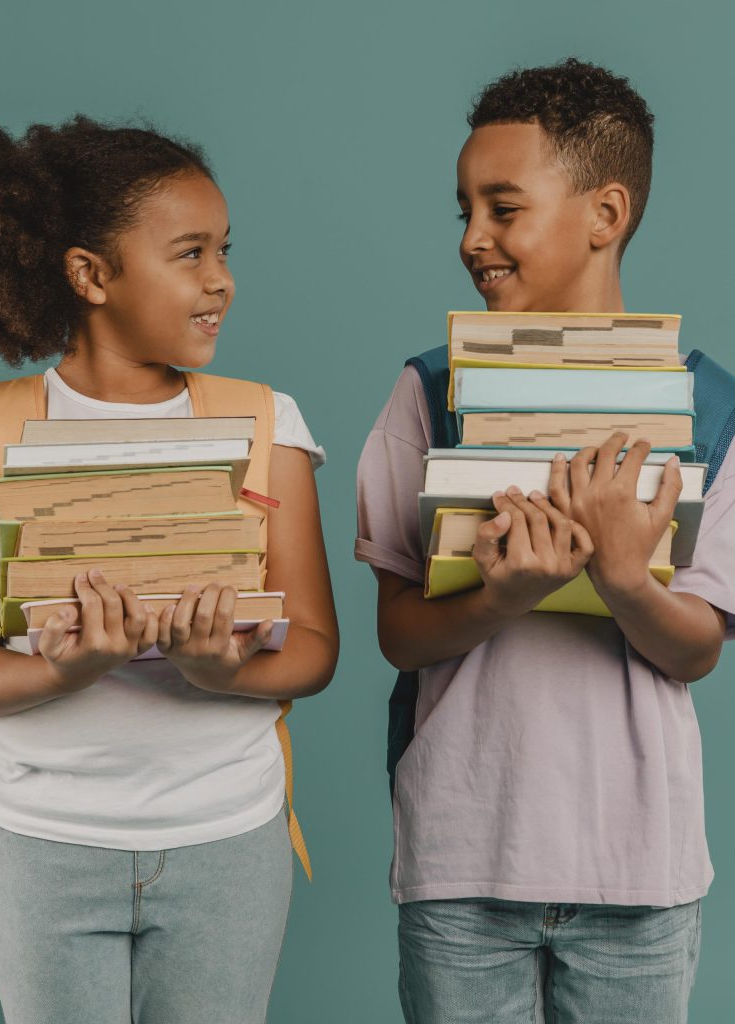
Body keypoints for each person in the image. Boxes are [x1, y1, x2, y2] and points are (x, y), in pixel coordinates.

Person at [0, 116, 339, 1024]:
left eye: (225, 250)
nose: (220, 278)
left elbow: (314, 648)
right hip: (42, 847)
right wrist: (61, 668)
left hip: (229, 838)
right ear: (90, 274)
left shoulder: (270, 424)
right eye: (189, 253)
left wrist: (219, 668)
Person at [355, 58, 734, 1024]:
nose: (473, 239)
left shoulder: (711, 408)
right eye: (464, 212)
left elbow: (697, 649)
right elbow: (400, 634)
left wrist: (624, 579)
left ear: (605, 215)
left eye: (503, 208)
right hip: (462, 859)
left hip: (637, 866)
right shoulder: (431, 391)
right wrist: (500, 600)